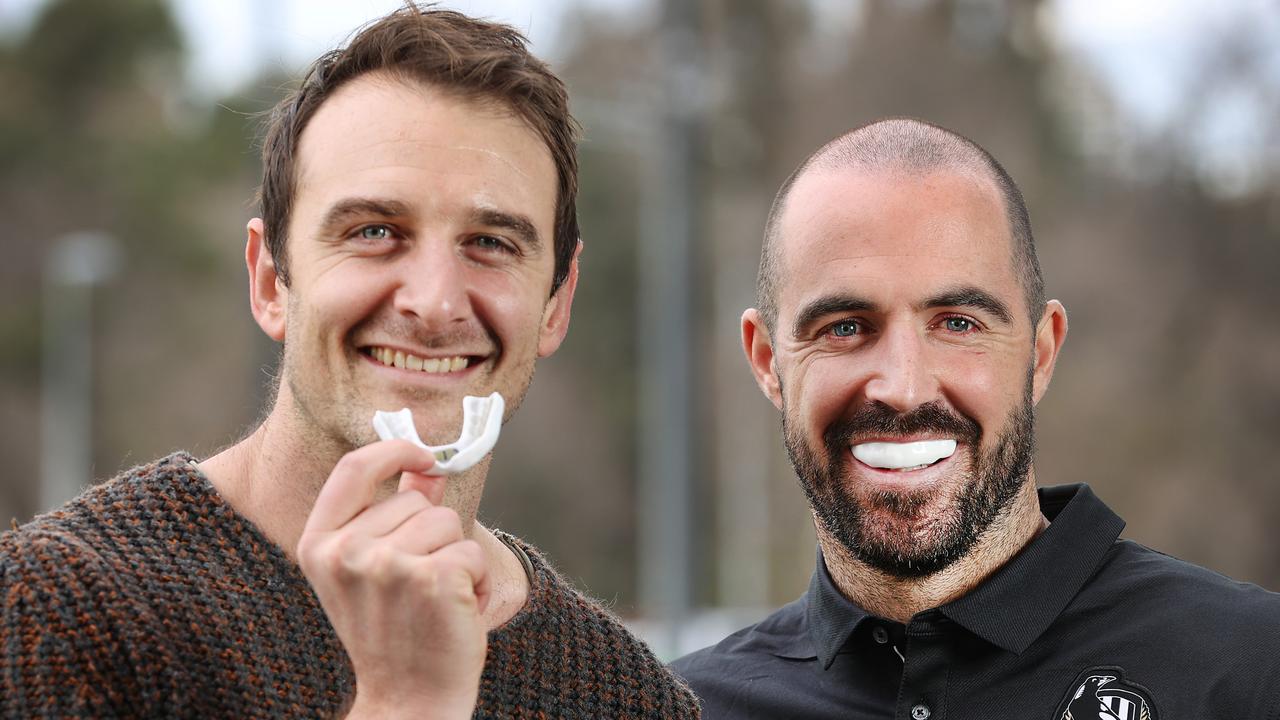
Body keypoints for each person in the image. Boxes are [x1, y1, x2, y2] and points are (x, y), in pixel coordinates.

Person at [0, 7, 698, 719]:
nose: (434, 304)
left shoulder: (633, 697)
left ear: (556, 303)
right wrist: (406, 702)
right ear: (271, 281)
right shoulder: (58, 611)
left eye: (491, 243)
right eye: (374, 231)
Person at [671, 117, 1280, 719]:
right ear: (767, 359)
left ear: (1040, 352)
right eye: (846, 328)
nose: (903, 388)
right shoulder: (679, 708)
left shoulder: (1252, 670)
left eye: (959, 323)